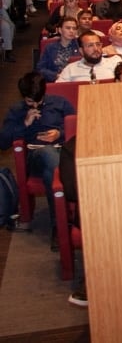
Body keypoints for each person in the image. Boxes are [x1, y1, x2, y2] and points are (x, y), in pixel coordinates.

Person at [0, 72, 74, 231]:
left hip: (63, 152)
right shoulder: (16, 110)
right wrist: (24, 124)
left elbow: (77, 126)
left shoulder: (60, 103)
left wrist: (60, 133)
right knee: (47, 153)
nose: (34, 106)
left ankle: (59, 228)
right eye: (29, 102)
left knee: (51, 172)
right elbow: (3, 142)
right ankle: (63, 224)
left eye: (38, 102)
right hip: (36, 156)